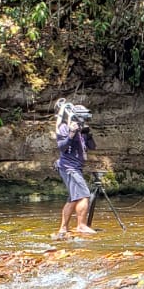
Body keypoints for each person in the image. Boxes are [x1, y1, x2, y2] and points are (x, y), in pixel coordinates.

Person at [53, 100, 97, 239]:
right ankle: (81, 225)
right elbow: (62, 147)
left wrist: (87, 133)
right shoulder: (65, 127)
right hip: (68, 167)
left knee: (73, 198)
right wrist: (71, 134)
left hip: (76, 167)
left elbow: (92, 147)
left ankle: (63, 228)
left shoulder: (81, 131)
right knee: (84, 195)